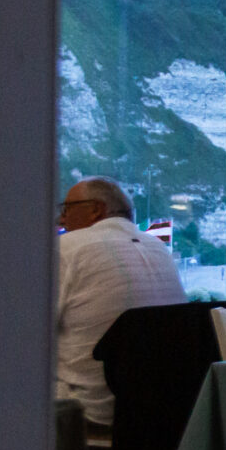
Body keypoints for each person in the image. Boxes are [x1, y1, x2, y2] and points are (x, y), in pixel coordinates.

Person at [54, 176, 187, 428]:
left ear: (95, 209)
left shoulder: (66, 249)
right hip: (159, 406)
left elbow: (26, 337)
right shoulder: (158, 248)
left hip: (91, 408)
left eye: (67, 208)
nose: (61, 219)